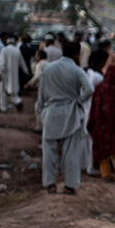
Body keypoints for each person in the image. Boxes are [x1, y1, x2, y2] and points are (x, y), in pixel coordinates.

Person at [38, 41, 94, 194]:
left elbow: (41, 92)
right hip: (71, 113)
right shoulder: (76, 70)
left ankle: (50, 184)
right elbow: (89, 89)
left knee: (49, 152)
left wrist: (41, 109)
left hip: (51, 111)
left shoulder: (49, 68)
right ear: (77, 54)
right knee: (70, 152)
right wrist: (78, 100)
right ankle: (70, 185)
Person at [87, 64, 115, 183]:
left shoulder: (100, 88)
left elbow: (95, 107)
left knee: (103, 148)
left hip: (102, 125)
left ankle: (106, 174)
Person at [81, 49, 108, 176]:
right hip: (93, 110)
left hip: (83, 109)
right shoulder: (97, 76)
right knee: (92, 140)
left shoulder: (85, 72)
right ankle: (91, 167)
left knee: (84, 139)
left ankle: (84, 165)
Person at [0, 35, 28, 113]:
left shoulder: (4, 50)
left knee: (3, 91)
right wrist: (27, 72)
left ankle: (3, 108)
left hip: (5, 74)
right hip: (14, 75)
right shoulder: (17, 50)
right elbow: (23, 64)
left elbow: (2, 63)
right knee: (13, 92)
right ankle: (18, 102)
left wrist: (0, 73)